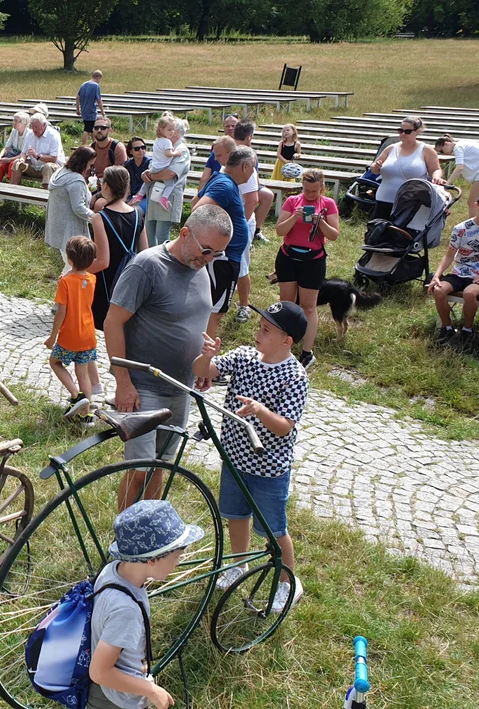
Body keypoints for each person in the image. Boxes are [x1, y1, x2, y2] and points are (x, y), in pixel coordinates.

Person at [105, 206, 233, 511]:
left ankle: (149, 540)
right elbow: (112, 322)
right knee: (139, 471)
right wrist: (122, 381)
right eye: (207, 250)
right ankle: (124, 543)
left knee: (161, 468)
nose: (209, 258)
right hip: (143, 389)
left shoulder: (201, 266)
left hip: (181, 388)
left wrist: (201, 363)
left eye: (217, 254)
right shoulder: (147, 266)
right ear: (185, 234)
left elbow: (195, 320)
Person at [191, 300, 310, 613]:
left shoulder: (294, 376)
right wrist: (206, 357)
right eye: (259, 327)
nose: (258, 333)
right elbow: (203, 372)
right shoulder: (244, 356)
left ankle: (288, 582)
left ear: (287, 341)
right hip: (234, 459)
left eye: (267, 330)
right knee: (235, 515)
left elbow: (284, 427)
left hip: (269, 469)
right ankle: (238, 565)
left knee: (274, 528)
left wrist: (260, 410)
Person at [88, 500, 197, 709]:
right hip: (117, 701)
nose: (178, 562)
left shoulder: (114, 570)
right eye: (176, 556)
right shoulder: (126, 610)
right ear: (152, 560)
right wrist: (151, 690)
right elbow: (99, 672)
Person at [428, 190, 479, 348]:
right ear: (476, 206)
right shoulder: (461, 228)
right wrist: (437, 275)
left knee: (469, 293)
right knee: (439, 290)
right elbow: (449, 255)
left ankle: (467, 330)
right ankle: (447, 329)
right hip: (460, 272)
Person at [273, 168, 340, 367]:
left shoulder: (328, 204)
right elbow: (279, 230)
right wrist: (294, 217)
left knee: (309, 306)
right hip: (288, 256)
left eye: (314, 191)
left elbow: (334, 235)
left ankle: (307, 352)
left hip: (314, 260)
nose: (310, 195)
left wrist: (320, 222)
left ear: (322, 188)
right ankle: (282, 345)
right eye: (307, 190)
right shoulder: (293, 201)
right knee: (287, 303)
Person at [193, 146, 253, 340]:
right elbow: (199, 211)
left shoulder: (221, 180)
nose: (253, 172)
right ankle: (203, 359)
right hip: (222, 260)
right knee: (215, 312)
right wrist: (208, 248)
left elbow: (196, 200)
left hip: (223, 259)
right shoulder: (225, 185)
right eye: (253, 167)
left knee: (211, 309)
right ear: (245, 166)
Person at [45, 235, 99, 420]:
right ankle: (87, 415)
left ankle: (77, 396)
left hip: (70, 336)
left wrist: (52, 337)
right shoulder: (92, 279)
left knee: (55, 362)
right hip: (88, 335)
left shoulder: (65, 283)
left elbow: (61, 312)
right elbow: (80, 278)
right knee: (82, 373)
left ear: (69, 259)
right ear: (91, 260)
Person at [90, 166, 147, 331]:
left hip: (106, 285)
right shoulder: (138, 215)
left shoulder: (100, 218)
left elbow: (102, 261)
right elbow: (145, 254)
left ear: (105, 186)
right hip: (129, 283)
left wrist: (76, 270)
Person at [232, 119, 273, 308]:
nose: (216, 158)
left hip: (239, 220)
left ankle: (244, 305)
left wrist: (240, 224)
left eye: (218, 155)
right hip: (229, 219)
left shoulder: (246, 162)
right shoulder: (231, 159)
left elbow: (252, 199)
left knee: (241, 265)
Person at [369, 116, 443, 220]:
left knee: (402, 234)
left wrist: (436, 177)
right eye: (400, 131)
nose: (403, 134)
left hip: (411, 202)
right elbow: (374, 169)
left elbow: (435, 169)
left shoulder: (426, 150)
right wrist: (375, 166)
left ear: (417, 132)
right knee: (378, 231)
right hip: (384, 198)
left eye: (407, 131)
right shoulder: (391, 148)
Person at [46, 146, 95, 268]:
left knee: (68, 264)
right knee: (73, 266)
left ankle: (64, 285)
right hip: (70, 229)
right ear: (83, 163)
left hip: (57, 225)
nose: (90, 168)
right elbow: (78, 207)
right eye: (90, 165)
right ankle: (67, 287)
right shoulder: (76, 181)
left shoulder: (61, 172)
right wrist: (97, 217)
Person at [135, 113, 189, 213]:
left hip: (170, 199)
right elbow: (155, 162)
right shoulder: (163, 143)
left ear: (177, 132)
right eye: (169, 129)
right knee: (150, 226)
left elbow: (170, 173)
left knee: (161, 228)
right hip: (154, 195)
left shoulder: (181, 150)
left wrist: (151, 176)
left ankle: (147, 196)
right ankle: (140, 196)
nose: (171, 132)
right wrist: (146, 173)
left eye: (173, 129)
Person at [434, 134, 479, 207]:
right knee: (476, 202)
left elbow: (459, 168)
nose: (444, 154)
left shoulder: (458, 147)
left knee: (473, 203)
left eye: (441, 151)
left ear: (446, 144)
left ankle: (475, 218)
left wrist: (447, 185)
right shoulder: (462, 144)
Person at [10, 113, 62, 186]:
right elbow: (23, 153)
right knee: (17, 163)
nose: (34, 129)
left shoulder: (53, 135)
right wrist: (22, 159)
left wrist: (37, 156)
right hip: (35, 166)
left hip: (52, 167)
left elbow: (53, 158)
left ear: (44, 125)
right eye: (32, 126)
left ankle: (45, 195)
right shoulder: (30, 134)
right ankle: (12, 190)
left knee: (48, 167)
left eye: (36, 127)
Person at [87, 117, 127, 207]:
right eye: (96, 128)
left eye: (103, 128)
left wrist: (98, 195)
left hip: (113, 189)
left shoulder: (117, 148)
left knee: (99, 205)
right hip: (94, 186)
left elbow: (119, 178)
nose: (99, 130)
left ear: (110, 130)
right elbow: (85, 173)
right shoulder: (91, 149)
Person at [196, 113, 238, 192]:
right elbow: (205, 177)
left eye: (233, 126)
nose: (230, 128)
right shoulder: (216, 150)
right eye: (227, 126)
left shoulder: (244, 151)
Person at [0, 111, 29, 183]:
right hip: (12, 155)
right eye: (13, 120)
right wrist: (0, 157)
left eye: (16, 121)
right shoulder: (14, 131)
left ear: (24, 123)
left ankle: (10, 188)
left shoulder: (29, 134)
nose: (14, 123)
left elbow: (25, 154)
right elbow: (6, 148)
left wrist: (7, 160)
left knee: (13, 164)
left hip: (23, 159)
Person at [75, 69, 105, 134]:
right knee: (87, 130)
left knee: (92, 130)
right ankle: (84, 143)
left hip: (84, 110)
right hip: (91, 111)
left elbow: (77, 97)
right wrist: (102, 111)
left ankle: (94, 143)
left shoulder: (84, 84)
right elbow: (99, 100)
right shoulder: (96, 86)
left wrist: (78, 109)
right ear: (98, 78)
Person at [122, 137, 149, 205]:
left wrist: (132, 201)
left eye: (143, 147)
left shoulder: (149, 164)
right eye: (137, 149)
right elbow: (127, 185)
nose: (141, 150)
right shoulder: (128, 165)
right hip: (131, 196)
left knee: (134, 210)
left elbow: (147, 185)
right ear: (130, 151)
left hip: (146, 197)